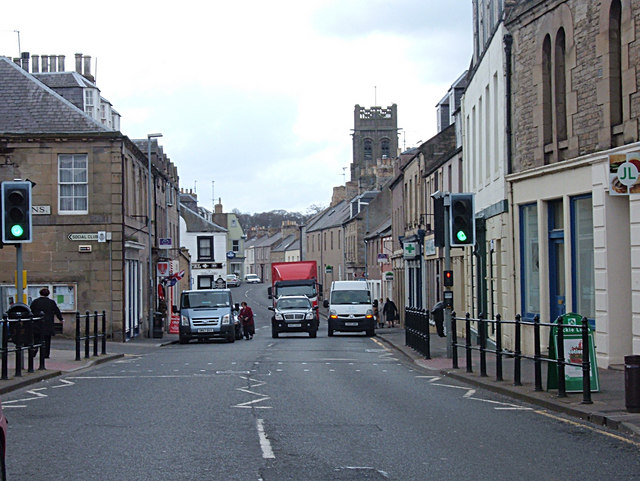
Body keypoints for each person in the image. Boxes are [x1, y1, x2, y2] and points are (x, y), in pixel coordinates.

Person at [30, 288, 63, 358]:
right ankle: (46, 354)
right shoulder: (51, 302)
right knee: (47, 340)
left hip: (37, 323)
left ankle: (34, 351)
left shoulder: (35, 302)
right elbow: (57, 311)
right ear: (48, 294)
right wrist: (61, 319)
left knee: (36, 339)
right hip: (48, 324)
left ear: (40, 293)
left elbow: (31, 311)